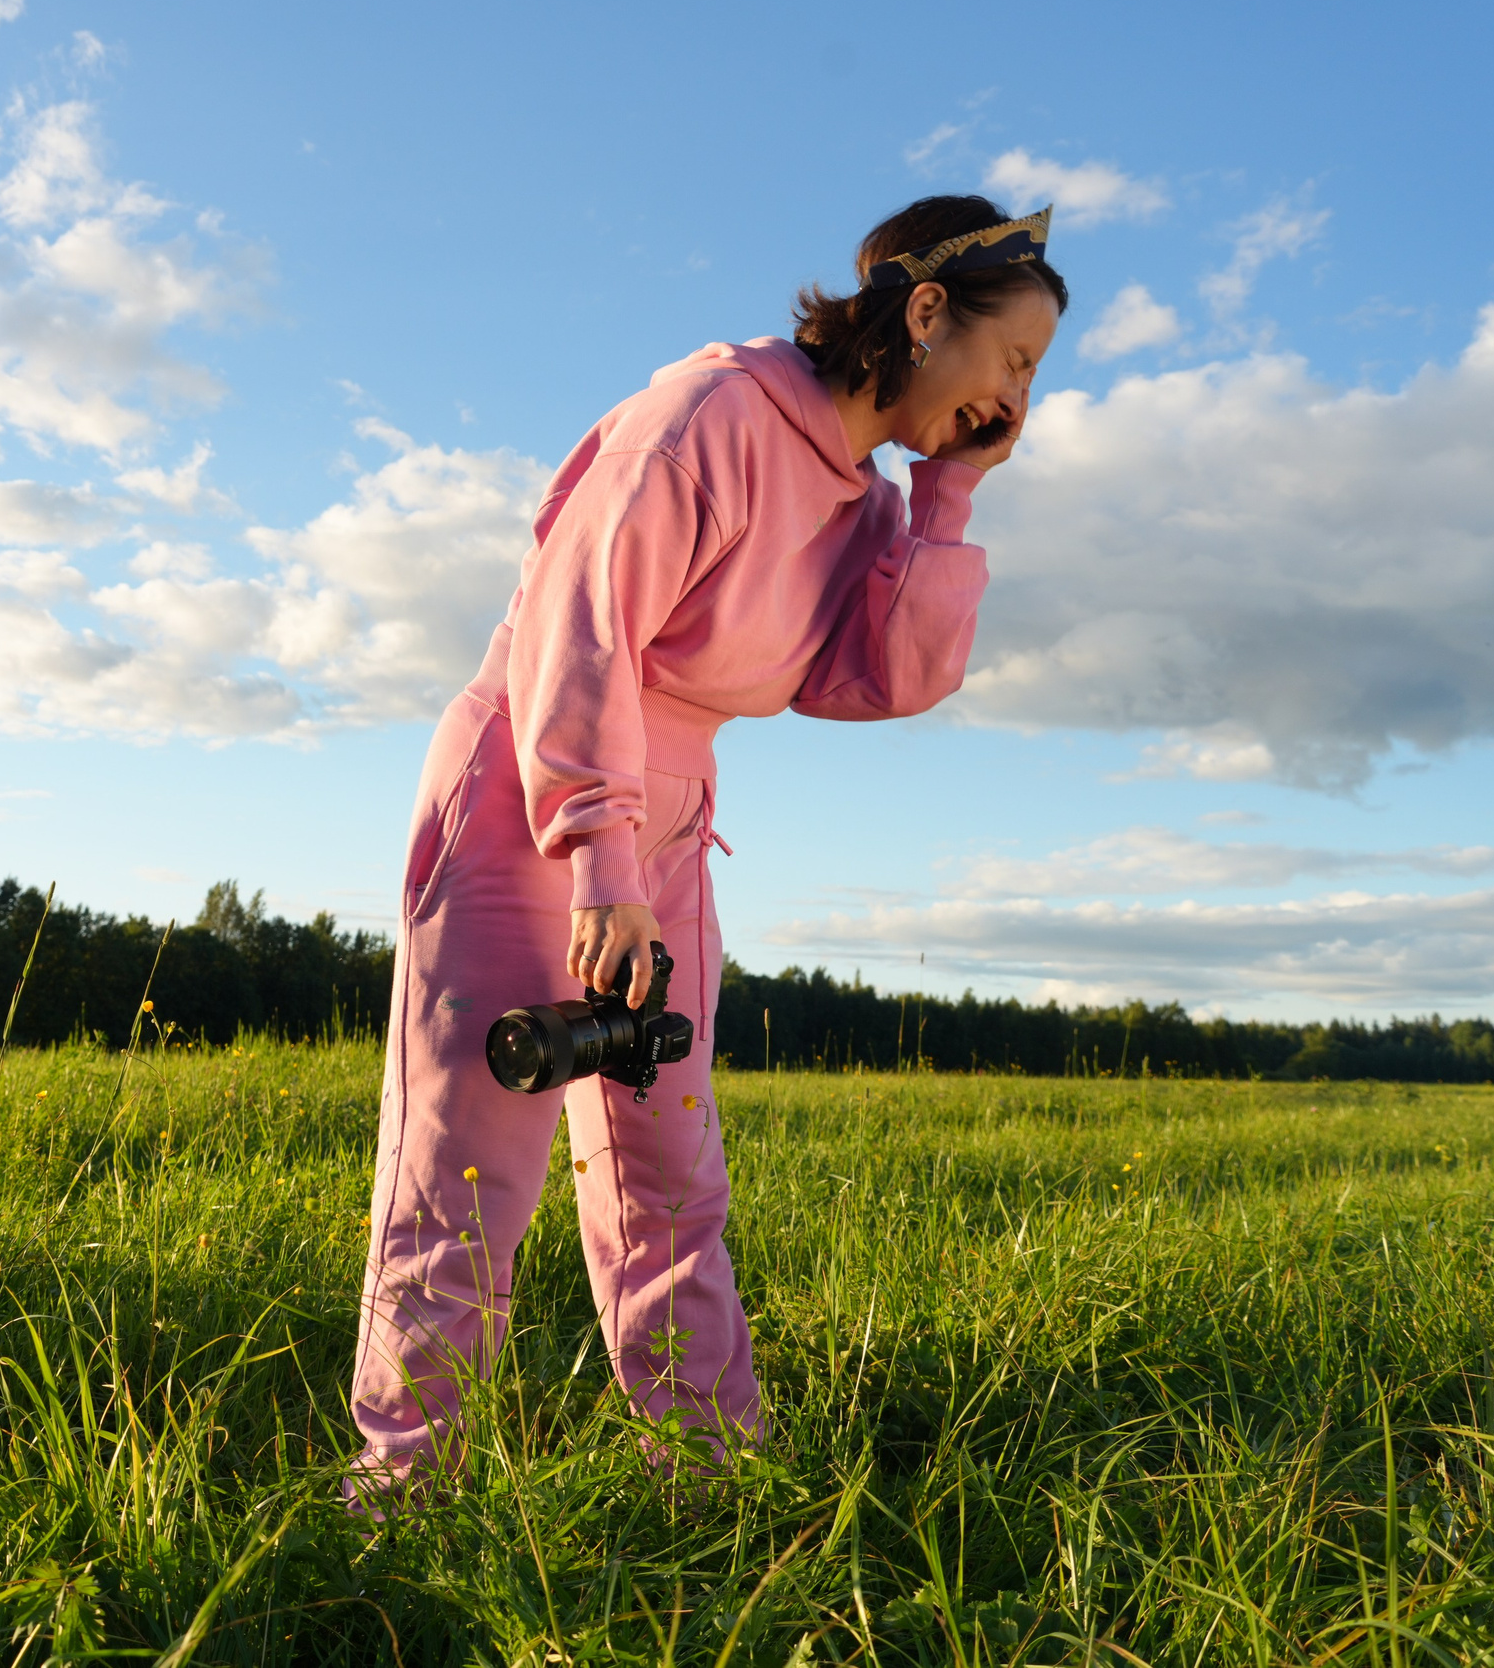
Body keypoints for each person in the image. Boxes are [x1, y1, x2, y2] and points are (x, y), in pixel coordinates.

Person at [347, 194, 1067, 1493]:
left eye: (1036, 378)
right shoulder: (711, 417)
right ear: (924, 314)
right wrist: (599, 860)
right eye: (1014, 359)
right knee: (469, 1163)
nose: (1020, 400)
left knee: (668, 1164)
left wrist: (946, 498)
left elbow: (877, 680)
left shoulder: (856, 496)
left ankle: (709, 1473)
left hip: (670, 818)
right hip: (536, 789)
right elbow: (585, 627)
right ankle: (407, 1492)